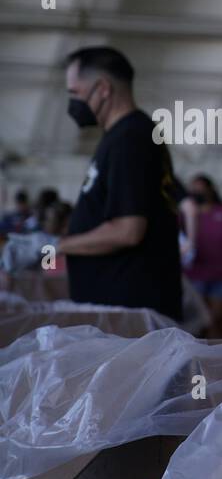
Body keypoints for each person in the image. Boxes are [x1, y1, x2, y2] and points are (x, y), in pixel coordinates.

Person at [56, 46, 184, 321]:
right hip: (125, 312)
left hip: (129, 314)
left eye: (75, 93)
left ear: (102, 88)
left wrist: (55, 245)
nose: (72, 103)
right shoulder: (127, 135)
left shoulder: (129, 139)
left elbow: (128, 230)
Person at [181, 175, 222, 338]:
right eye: (194, 189)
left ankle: (216, 359)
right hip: (194, 276)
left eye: (201, 188)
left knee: (217, 320)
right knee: (197, 323)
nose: (198, 192)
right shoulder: (184, 215)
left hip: (221, 275)